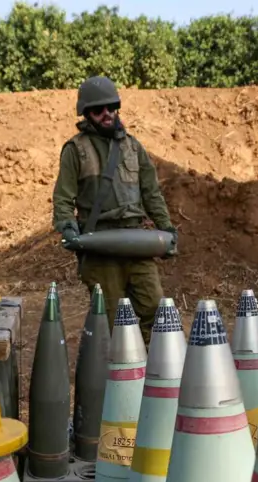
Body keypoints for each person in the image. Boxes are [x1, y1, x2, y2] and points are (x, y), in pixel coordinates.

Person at [52, 75, 178, 343]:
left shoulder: (133, 147)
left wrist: (166, 227)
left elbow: (152, 194)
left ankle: (151, 365)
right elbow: (63, 198)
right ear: (86, 113)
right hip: (100, 248)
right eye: (98, 110)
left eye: (111, 107)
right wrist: (67, 227)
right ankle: (115, 369)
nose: (107, 114)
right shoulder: (76, 150)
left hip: (136, 244)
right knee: (111, 324)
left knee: (156, 312)